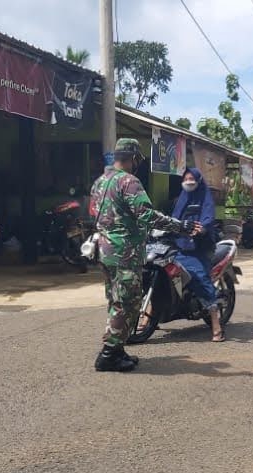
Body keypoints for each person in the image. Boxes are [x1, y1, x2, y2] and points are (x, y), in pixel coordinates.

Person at [90, 138, 200, 372]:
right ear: (134, 158)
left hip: (105, 250)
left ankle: (117, 351)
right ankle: (108, 355)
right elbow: (147, 215)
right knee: (128, 303)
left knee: (115, 300)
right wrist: (182, 226)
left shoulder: (100, 182)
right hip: (125, 252)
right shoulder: (129, 181)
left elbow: (95, 214)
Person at [171, 167, 224, 342]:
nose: (188, 181)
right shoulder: (182, 198)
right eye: (185, 178)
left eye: (191, 178)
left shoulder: (205, 197)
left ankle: (216, 324)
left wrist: (201, 228)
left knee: (199, 277)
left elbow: (208, 217)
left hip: (201, 246)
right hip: (181, 245)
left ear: (199, 180)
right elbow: (173, 219)